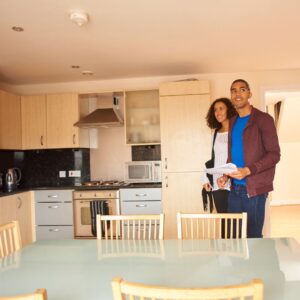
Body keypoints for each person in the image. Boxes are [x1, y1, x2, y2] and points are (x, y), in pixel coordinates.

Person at [218, 79, 280, 238]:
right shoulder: (232, 122)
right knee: (233, 236)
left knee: (253, 238)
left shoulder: (263, 119)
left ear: (249, 94)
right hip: (234, 190)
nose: (237, 93)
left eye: (242, 89)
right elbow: (232, 155)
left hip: (255, 191)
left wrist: (248, 170)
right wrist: (225, 175)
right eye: (233, 90)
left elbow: (274, 154)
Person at [202, 98, 236, 213]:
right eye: (215, 109)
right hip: (217, 182)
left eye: (221, 108)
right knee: (224, 220)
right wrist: (205, 178)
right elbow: (214, 159)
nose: (218, 112)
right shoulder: (215, 133)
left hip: (233, 180)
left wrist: (227, 177)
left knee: (236, 221)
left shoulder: (236, 130)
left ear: (229, 110)